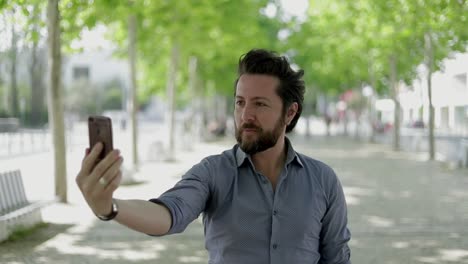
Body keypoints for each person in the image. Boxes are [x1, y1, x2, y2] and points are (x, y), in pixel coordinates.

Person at [76, 49, 351, 264]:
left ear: (290, 113)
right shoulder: (213, 172)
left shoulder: (323, 180)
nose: (246, 116)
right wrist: (109, 207)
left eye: (260, 104)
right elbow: (168, 214)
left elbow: (337, 258)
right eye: (240, 102)